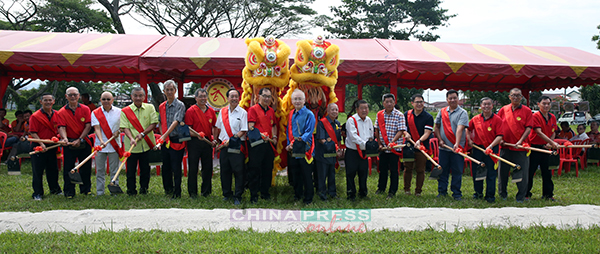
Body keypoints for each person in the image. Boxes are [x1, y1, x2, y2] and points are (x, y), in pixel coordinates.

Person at [120, 87, 158, 196]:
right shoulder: (125, 111)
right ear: (132, 97)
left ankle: (144, 189)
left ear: (144, 96)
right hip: (131, 145)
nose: (138, 98)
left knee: (145, 170)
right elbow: (124, 127)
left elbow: (153, 123)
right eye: (135, 95)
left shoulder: (150, 107)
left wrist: (143, 133)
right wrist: (131, 138)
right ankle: (131, 190)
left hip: (146, 144)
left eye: (140, 95)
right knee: (130, 170)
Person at [497, 88, 532, 202]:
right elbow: (498, 126)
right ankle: (502, 194)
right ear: (509, 96)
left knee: (522, 173)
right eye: (513, 95)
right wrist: (500, 139)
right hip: (505, 146)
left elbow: (528, 128)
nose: (515, 97)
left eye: (518, 96)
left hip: (520, 148)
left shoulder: (527, 111)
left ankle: (521, 196)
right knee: (502, 172)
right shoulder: (503, 110)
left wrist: (520, 141)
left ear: (522, 97)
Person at [57, 87, 93, 199]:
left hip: (84, 141)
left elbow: (88, 126)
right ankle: (69, 192)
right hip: (69, 143)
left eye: (75, 95)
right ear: (66, 96)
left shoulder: (85, 109)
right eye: (70, 95)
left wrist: (80, 139)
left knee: (86, 167)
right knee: (68, 168)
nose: (73, 97)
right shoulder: (61, 112)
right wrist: (65, 138)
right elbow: (61, 127)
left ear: (79, 96)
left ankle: (86, 190)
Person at [466, 97, 503, 203]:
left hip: (491, 149)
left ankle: (490, 196)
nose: (486, 106)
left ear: (492, 106)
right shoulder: (475, 119)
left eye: (488, 104)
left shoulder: (497, 119)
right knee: (478, 172)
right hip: (478, 149)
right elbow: (468, 130)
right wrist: (469, 140)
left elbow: (500, 136)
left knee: (491, 173)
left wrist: (490, 146)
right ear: (481, 106)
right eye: (484, 104)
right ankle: (478, 193)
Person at [214, 89, 248, 205]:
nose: (234, 98)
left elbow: (243, 130)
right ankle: (227, 193)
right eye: (231, 96)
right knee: (225, 170)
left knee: (238, 171)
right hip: (224, 146)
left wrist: (232, 139)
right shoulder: (222, 111)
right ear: (227, 98)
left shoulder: (243, 112)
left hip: (237, 145)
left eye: (236, 96)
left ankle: (238, 195)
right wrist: (217, 141)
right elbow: (218, 128)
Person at [434, 89, 469, 201]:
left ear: (458, 99)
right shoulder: (442, 111)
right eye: (450, 98)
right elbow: (437, 127)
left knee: (457, 171)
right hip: (443, 148)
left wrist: (457, 144)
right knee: (442, 170)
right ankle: (442, 192)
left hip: (457, 149)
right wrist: (439, 139)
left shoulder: (463, 113)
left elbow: (460, 129)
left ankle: (456, 193)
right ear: (447, 100)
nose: (453, 100)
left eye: (455, 98)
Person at [28, 94, 63, 200]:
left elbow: (60, 128)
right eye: (45, 100)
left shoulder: (57, 114)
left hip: (52, 145)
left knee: (53, 169)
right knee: (38, 171)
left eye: (50, 100)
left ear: (53, 101)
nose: (48, 102)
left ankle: (55, 189)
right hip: (38, 145)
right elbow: (33, 132)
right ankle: (38, 193)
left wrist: (60, 139)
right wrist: (41, 145)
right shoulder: (35, 116)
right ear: (41, 102)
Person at [247, 88, 278, 203]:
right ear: (258, 96)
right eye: (264, 96)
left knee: (267, 169)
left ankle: (265, 192)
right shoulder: (253, 109)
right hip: (257, 144)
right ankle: (254, 195)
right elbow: (251, 127)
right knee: (255, 170)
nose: (266, 99)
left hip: (268, 144)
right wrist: (261, 135)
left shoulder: (270, 110)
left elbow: (274, 125)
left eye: (269, 97)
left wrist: (274, 137)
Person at [185, 88, 217, 198]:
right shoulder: (191, 111)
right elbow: (188, 129)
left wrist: (214, 139)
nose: (203, 99)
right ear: (196, 98)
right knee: (193, 168)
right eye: (201, 97)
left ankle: (206, 192)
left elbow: (214, 127)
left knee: (207, 168)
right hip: (194, 142)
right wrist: (197, 135)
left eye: (205, 96)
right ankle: (192, 192)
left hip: (207, 142)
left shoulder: (211, 111)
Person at [285, 90, 316, 204]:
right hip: (293, 147)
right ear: (292, 101)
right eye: (295, 99)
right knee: (296, 172)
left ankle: (308, 198)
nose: (297, 101)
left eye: (299, 99)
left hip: (305, 148)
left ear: (304, 100)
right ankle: (297, 195)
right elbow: (289, 129)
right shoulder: (291, 113)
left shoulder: (309, 114)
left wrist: (299, 141)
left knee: (306, 173)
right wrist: (289, 143)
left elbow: (309, 131)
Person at [526, 96, 559, 201]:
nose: (546, 105)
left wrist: (550, 143)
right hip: (535, 148)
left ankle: (548, 195)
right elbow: (538, 132)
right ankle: (526, 194)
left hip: (546, 148)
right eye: (544, 103)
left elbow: (553, 131)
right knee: (530, 172)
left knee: (547, 173)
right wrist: (551, 142)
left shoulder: (552, 116)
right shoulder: (535, 116)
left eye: (548, 103)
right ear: (538, 104)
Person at [158, 80, 186, 199]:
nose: (169, 92)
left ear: (175, 91)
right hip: (165, 141)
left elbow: (176, 121)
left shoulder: (180, 105)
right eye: (167, 90)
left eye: (171, 89)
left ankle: (177, 192)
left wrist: (165, 135)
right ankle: (168, 189)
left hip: (176, 139)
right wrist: (162, 137)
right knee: (166, 166)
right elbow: (160, 123)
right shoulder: (161, 106)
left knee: (176, 167)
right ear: (164, 91)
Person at [373, 93, 406, 198]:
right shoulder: (379, 114)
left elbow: (401, 130)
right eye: (386, 102)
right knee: (382, 169)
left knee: (394, 170)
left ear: (394, 102)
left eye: (391, 102)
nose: (389, 104)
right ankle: (381, 188)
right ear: (383, 103)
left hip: (394, 148)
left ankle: (392, 191)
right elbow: (377, 129)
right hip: (383, 147)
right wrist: (379, 143)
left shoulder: (399, 115)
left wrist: (392, 142)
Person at [91, 92, 122, 196]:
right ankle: (100, 192)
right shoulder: (95, 112)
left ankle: (114, 191)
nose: (106, 101)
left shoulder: (119, 112)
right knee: (100, 170)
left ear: (112, 100)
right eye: (104, 99)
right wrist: (101, 140)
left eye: (108, 99)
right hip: (100, 145)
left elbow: (123, 126)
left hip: (114, 145)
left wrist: (118, 131)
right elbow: (97, 128)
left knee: (114, 170)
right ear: (100, 100)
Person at [403, 94, 434, 197]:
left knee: (420, 170)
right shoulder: (406, 114)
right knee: (408, 168)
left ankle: (418, 191)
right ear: (412, 103)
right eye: (417, 102)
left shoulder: (428, 117)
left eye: (421, 102)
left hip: (422, 146)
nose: (420, 104)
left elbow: (427, 133)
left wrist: (419, 140)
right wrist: (405, 133)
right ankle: (407, 189)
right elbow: (403, 128)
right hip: (408, 146)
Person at [345, 100, 374, 201]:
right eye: (362, 108)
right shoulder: (351, 120)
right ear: (357, 109)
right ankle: (351, 194)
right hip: (352, 151)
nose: (364, 110)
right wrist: (365, 144)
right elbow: (353, 136)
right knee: (350, 173)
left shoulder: (369, 120)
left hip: (364, 152)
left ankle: (363, 193)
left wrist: (370, 143)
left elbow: (371, 135)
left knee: (363, 173)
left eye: (366, 108)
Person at [315, 103, 341, 201]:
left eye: (336, 110)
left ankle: (332, 193)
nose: (334, 112)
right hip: (323, 153)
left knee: (332, 174)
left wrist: (338, 149)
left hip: (332, 154)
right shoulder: (322, 123)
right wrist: (333, 147)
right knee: (322, 175)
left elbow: (338, 139)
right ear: (328, 111)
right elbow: (321, 139)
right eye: (332, 110)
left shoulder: (337, 124)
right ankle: (322, 194)